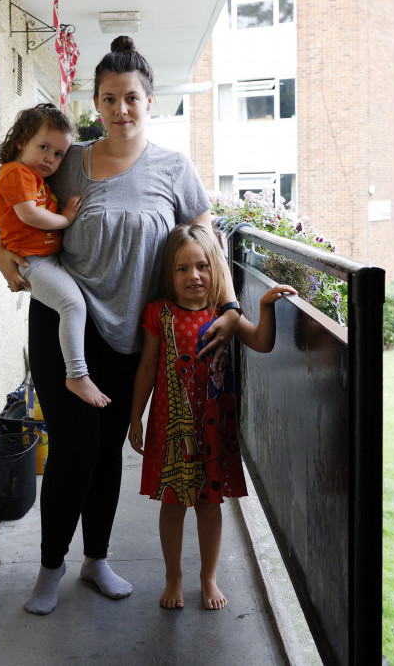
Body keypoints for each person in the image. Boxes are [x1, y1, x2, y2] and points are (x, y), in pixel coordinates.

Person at [0, 36, 244, 616]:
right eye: (108, 98)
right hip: (63, 328)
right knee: (73, 451)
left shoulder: (173, 169)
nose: (119, 109)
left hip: (131, 336)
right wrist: (5, 259)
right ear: (97, 103)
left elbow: (208, 246)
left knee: (108, 453)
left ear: (148, 100)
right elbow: (14, 210)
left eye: (130, 97)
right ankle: (50, 567)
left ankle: (95, 560)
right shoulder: (69, 161)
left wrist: (229, 309)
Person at [128, 224, 296, 610]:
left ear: (214, 269)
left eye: (202, 266)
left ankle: (209, 577)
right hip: (172, 430)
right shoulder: (159, 314)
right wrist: (135, 418)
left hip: (214, 430)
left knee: (209, 504)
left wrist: (265, 307)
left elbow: (263, 343)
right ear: (169, 276)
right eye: (182, 269)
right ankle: (174, 577)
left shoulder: (224, 316)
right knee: (172, 505)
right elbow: (147, 368)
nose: (194, 276)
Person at [0, 104, 110, 408]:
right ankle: (77, 374)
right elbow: (29, 215)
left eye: (58, 154)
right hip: (33, 262)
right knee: (72, 304)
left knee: (74, 304)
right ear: (21, 142)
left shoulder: (36, 178)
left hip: (47, 259)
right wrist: (66, 218)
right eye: (43, 147)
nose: (50, 158)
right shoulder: (16, 172)